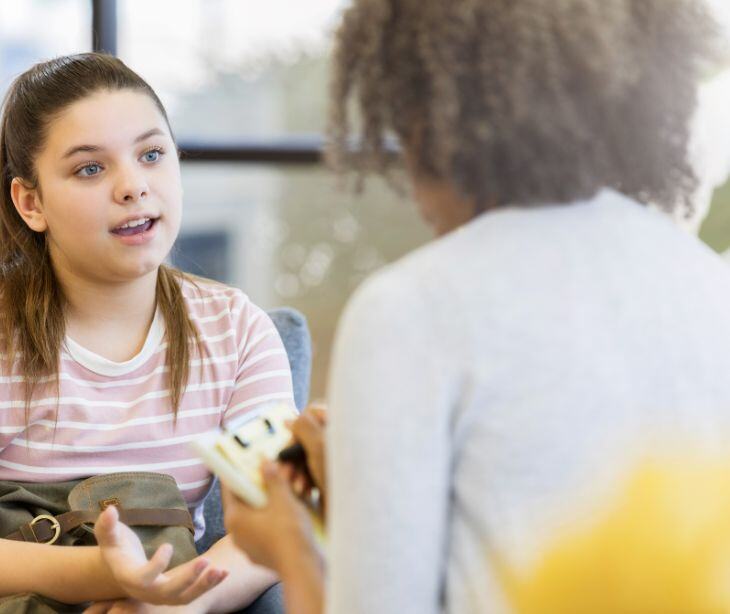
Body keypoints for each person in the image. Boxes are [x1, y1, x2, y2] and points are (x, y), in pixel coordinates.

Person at [220, 1, 730, 613]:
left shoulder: (411, 309)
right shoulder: (706, 280)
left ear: (431, 114)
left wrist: (287, 545)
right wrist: (362, 493)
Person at [0, 53, 294, 612]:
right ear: (31, 202)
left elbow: (277, 526)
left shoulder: (236, 331)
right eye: (91, 168)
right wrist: (108, 573)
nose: (133, 186)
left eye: (152, 154)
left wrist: (176, 602)